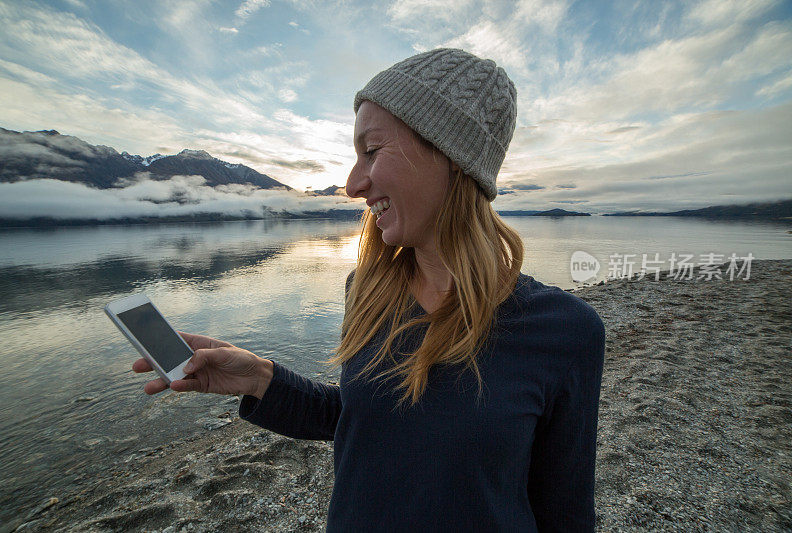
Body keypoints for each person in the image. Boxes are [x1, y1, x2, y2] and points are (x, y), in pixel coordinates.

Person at [133, 47, 606, 532]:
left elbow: (565, 514)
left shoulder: (565, 332)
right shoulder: (366, 290)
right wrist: (259, 378)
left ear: (453, 157)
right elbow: (370, 419)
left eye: (372, 150)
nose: (353, 183)